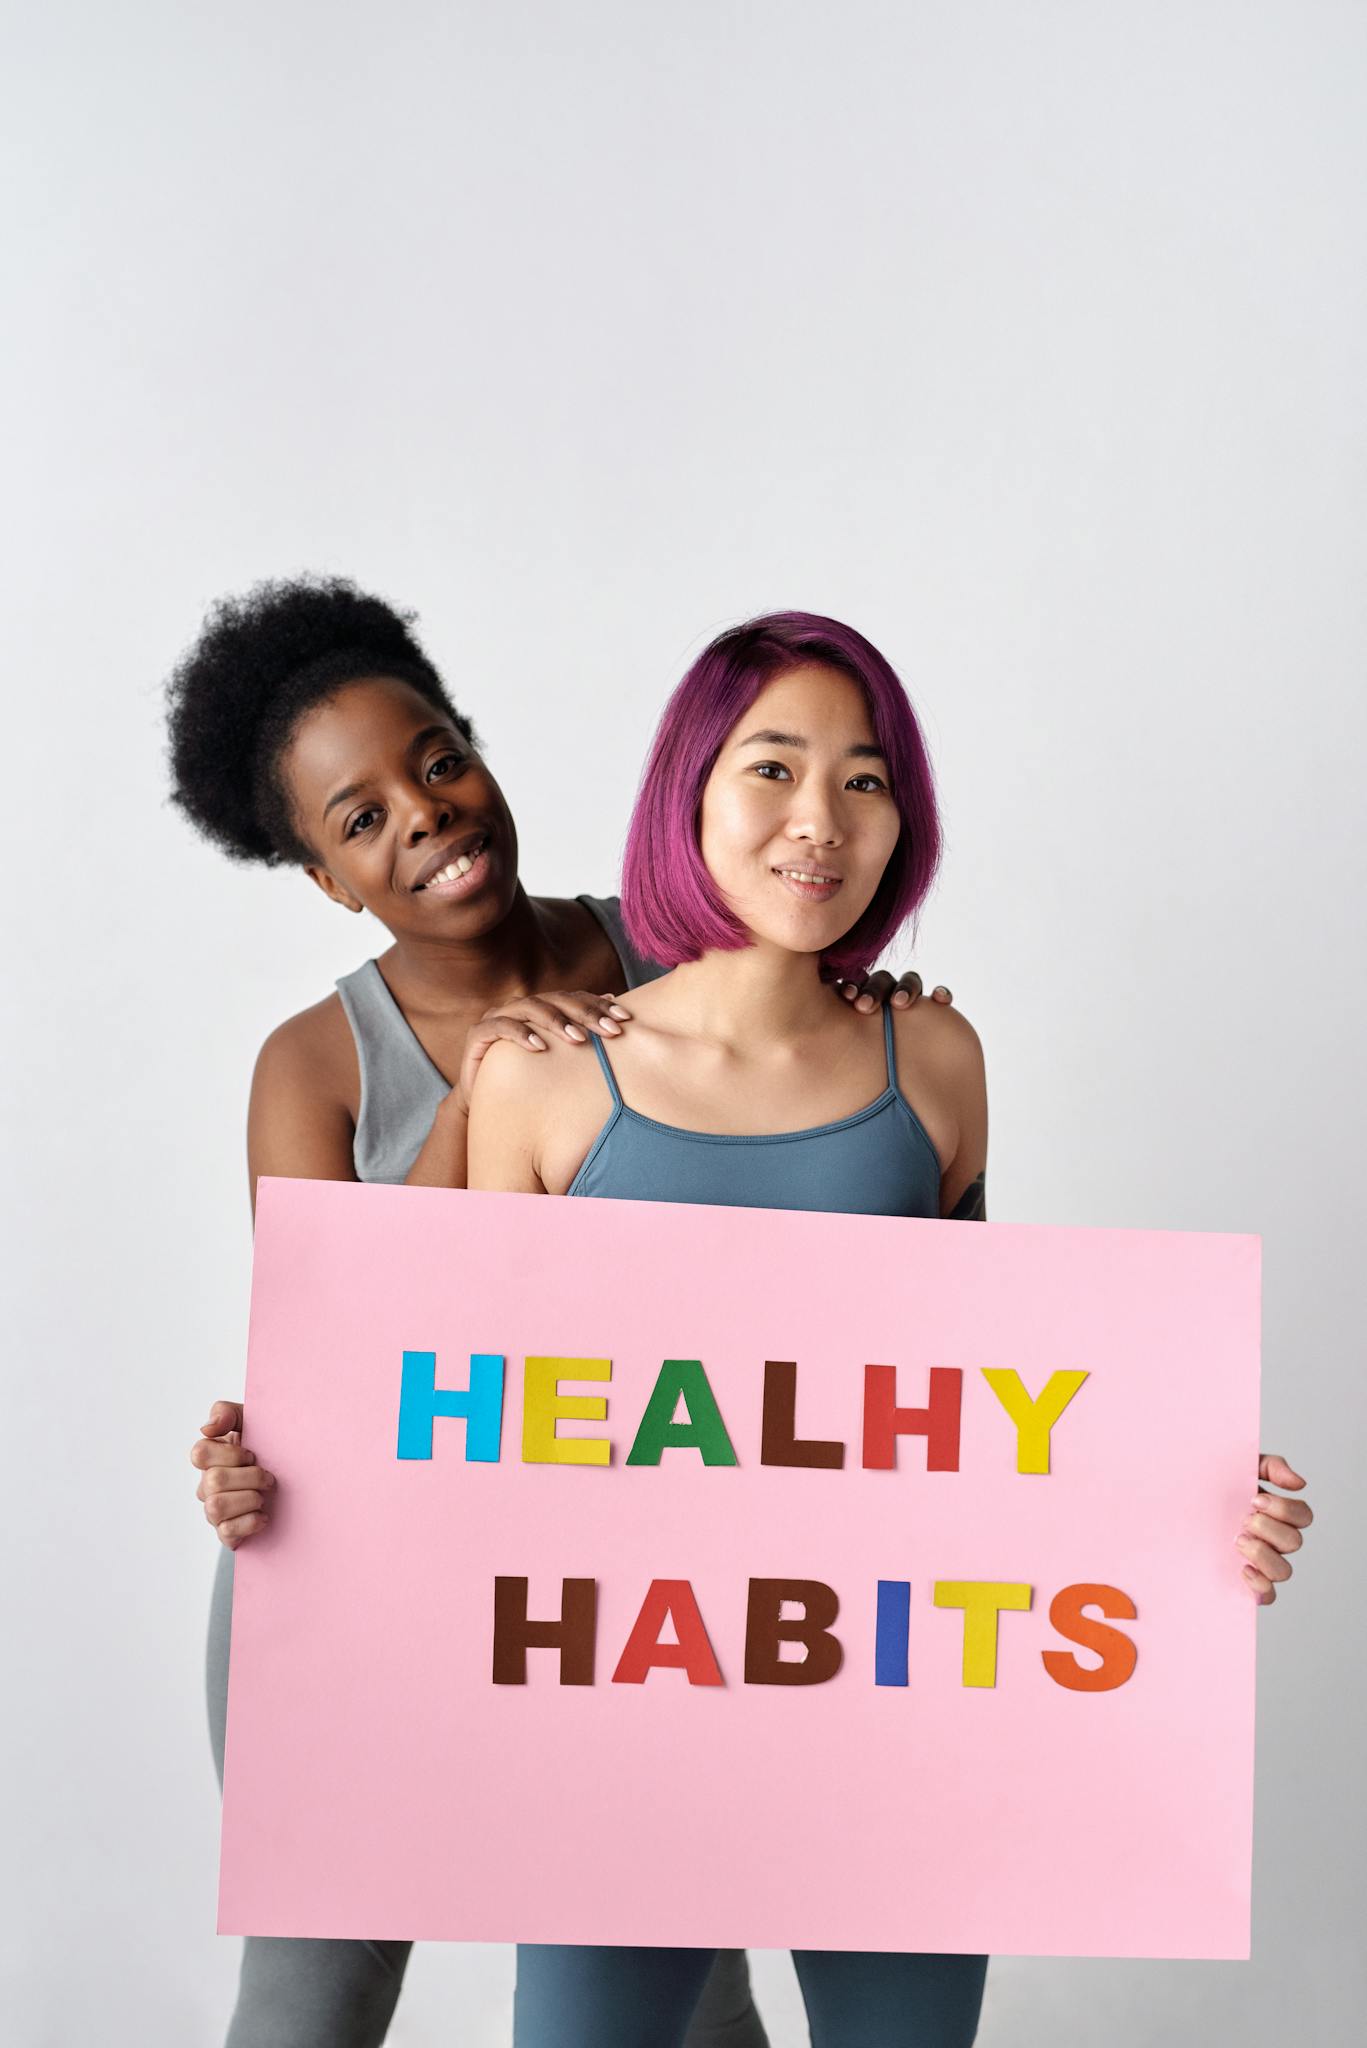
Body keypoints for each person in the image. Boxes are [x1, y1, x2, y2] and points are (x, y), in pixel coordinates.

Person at [464, 610, 1314, 2048]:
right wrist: (281, 1474)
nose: (822, 819)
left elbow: (978, 1424)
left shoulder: (935, 1059)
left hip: (894, 1725)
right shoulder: (544, 1081)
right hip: (624, 1729)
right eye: (774, 768)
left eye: (866, 780)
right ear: (691, 792)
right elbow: (465, 1439)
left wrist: (1189, 1515)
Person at [168, 575, 958, 2048]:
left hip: (639, 1584)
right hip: (359, 1563)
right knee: (316, 1992)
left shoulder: (681, 952)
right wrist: (246, 1450)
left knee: (688, 1976)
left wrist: (864, 1003)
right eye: (358, 820)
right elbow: (350, 1365)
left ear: (478, 748)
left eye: (438, 761)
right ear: (327, 882)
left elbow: (801, 1120)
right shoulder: (314, 1067)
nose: (421, 813)